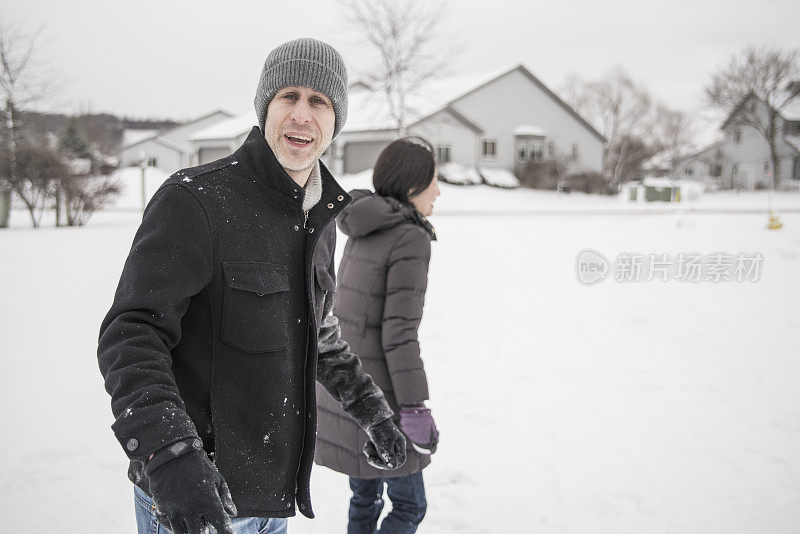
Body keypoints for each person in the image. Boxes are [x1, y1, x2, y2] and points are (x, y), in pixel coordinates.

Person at [97, 38, 407, 534]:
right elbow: (132, 334)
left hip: (271, 499)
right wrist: (169, 452)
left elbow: (318, 338)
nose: (302, 116)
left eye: (319, 101)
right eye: (289, 96)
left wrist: (373, 411)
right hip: (198, 498)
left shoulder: (321, 220)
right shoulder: (195, 199)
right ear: (266, 107)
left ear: (336, 121)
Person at [315, 137, 441, 534]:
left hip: (350, 392)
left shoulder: (364, 224)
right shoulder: (410, 237)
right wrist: (415, 408)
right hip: (382, 401)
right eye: (433, 181)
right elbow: (399, 334)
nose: (439, 191)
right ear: (410, 187)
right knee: (409, 506)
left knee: (364, 495)